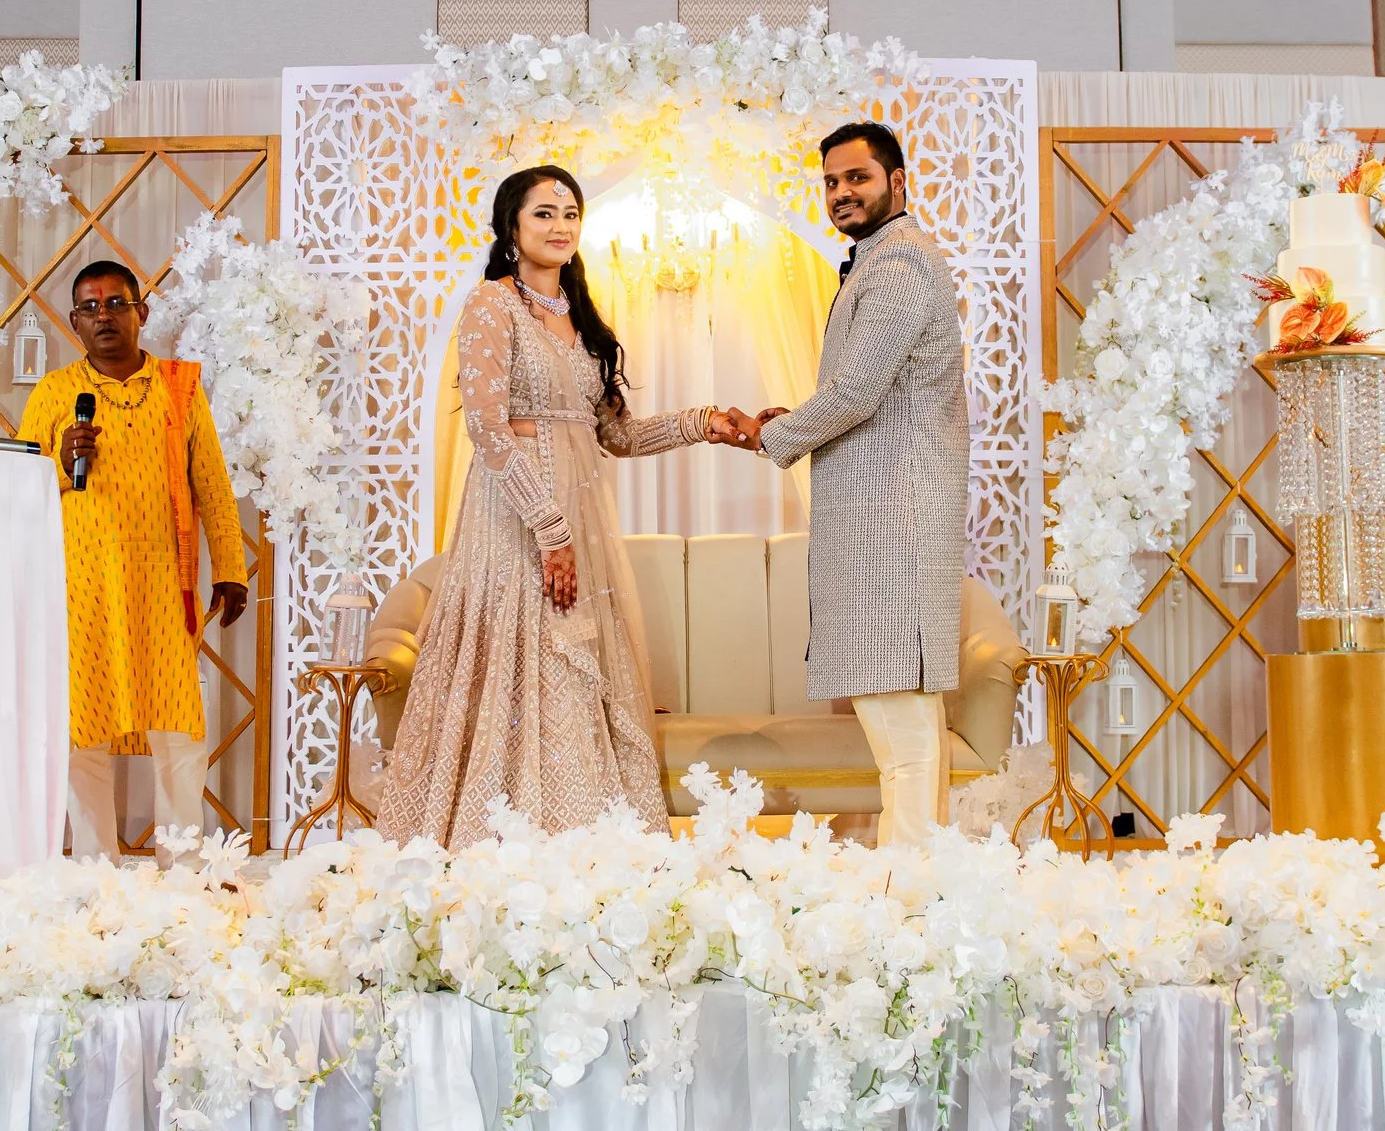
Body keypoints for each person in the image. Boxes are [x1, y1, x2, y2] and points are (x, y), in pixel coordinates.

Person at [376, 165, 756, 847]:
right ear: (512, 227)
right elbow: (488, 427)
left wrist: (704, 424)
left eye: (570, 214)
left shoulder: (581, 319)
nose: (560, 226)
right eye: (544, 214)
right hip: (515, 522)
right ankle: (505, 841)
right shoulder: (492, 305)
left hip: (583, 520)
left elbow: (617, 434)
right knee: (526, 663)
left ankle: (583, 845)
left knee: (576, 672)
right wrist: (549, 529)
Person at [722, 122, 971, 847]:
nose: (840, 193)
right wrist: (793, 418)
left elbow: (857, 391)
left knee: (899, 724)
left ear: (898, 181)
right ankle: (927, 879)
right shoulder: (882, 260)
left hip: (892, 518)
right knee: (907, 716)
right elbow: (866, 391)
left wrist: (769, 435)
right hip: (888, 513)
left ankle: (908, 882)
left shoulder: (898, 264)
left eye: (857, 177)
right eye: (831, 182)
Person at [18, 260, 248, 858]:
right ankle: (96, 866)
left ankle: (183, 866)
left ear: (141, 313)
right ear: (74, 322)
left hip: (163, 585)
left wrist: (229, 568)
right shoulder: (54, 394)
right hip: (81, 586)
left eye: (116, 304)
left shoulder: (179, 388)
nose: (104, 317)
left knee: (178, 730)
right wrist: (57, 461)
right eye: (90, 307)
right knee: (83, 732)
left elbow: (211, 483)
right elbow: (15, 491)